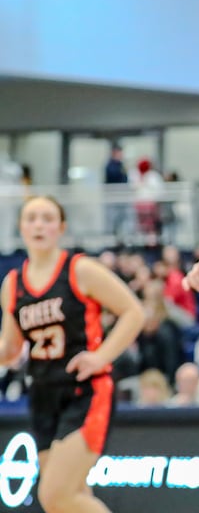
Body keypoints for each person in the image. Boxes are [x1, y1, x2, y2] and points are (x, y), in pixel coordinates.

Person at [0, 195, 145, 513]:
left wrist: (102, 356)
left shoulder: (80, 269)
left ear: (61, 227)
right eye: (32, 218)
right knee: (71, 499)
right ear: (21, 227)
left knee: (54, 495)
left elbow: (134, 311)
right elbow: (9, 350)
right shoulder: (12, 284)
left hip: (83, 390)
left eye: (47, 218)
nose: (39, 224)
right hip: (41, 393)